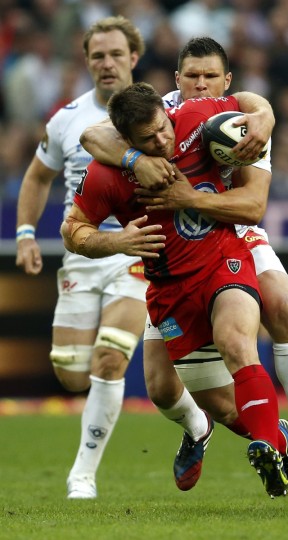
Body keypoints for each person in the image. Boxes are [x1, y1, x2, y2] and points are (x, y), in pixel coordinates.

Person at [80, 38, 288, 496]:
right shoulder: (161, 112)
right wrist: (136, 159)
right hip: (168, 257)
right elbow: (93, 136)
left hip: (231, 231)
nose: (200, 83)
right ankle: (201, 428)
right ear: (175, 80)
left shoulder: (243, 124)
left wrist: (264, 116)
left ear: (226, 82)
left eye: (210, 77)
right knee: (160, 385)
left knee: (278, 301)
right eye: (191, 75)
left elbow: (253, 205)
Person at [15, 16, 155, 500]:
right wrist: (26, 233)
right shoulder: (66, 118)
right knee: (72, 374)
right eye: (98, 55)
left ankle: (83, 475)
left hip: (136, 249)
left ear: (133, 58)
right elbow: (36, 177)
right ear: (87, 61)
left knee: (110, 359)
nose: (107, 63)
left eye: (116, 54)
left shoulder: (156, 115)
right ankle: (196, 422)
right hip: (81, 252)